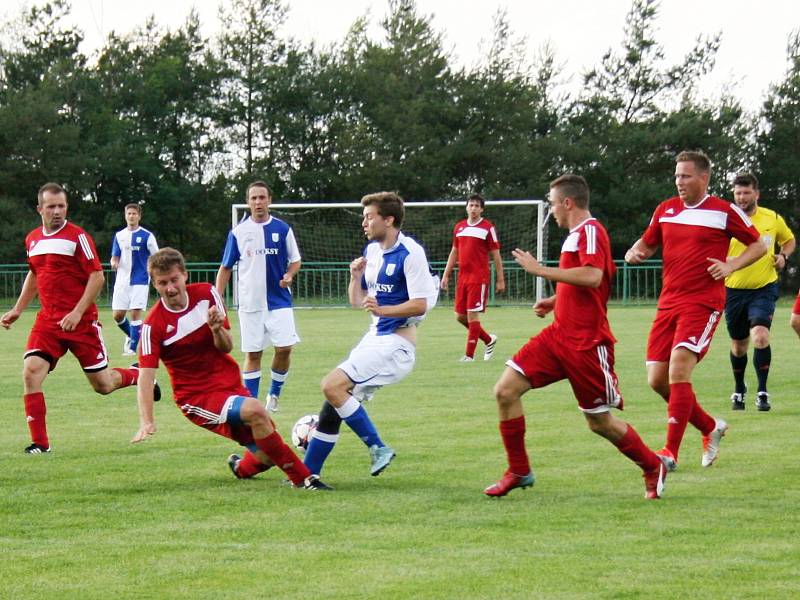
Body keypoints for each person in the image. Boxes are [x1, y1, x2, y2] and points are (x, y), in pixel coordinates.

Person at [484, 174, 669, 500]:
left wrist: (541, 270)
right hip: (557, 337)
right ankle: (519, 470)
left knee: (599, 423)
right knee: (505, 391)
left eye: (553, 203)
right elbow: (587, 279)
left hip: (587, 344)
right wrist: (556, 300)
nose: (551, 210)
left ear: (567, 203)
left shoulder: (591, 231)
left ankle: (653, 465)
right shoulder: (575, 236)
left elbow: (594, 275)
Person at [132, 248, 330, 490]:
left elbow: (226, 347)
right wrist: (146, 421)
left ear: (184, 275)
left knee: (267, 453)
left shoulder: (207, 294)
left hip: (230, 385)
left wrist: (216, 329)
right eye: (163, 283)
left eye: (174, 280)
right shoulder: (153, 326)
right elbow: (145, 377)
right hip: (197, 397)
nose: (170, 288)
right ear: (155, 284)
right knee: (256, 410)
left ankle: (241, 468)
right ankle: (305, 480)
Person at [625, 151, 766, 470]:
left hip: (703, 303)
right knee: (657, 380)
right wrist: (637, 251)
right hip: (668, 303)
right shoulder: (665, 210)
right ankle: (709, 427)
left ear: (704, 178)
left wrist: (731, 265)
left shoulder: (723, 211)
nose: (679, 181)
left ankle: (670, 453)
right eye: (677, 176)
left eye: (686, 176)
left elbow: (759, 245)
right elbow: (647, 244)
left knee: (678, 371)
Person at [1, 182, 146, 454]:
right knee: (31, 373)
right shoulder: (32, 239)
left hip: (82, 324)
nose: (57, 211)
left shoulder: (77, 237)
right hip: (48, 322)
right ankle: (40, 444)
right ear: (39, 209)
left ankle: (138, 374)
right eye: (51, 206)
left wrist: (77, 312)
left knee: (102, 386)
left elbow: (97, 276)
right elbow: (35, 273)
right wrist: (18, 309)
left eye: (61, 206)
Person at [302, 192, 439, 480]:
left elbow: (421, 303)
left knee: (331, 385)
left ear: (388, 220)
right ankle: (307, 475)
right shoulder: (373, 252)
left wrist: (385, 309)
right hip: (375, 337)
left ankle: (378, 446)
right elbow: (358, 302)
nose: (364, 223)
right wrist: (355, 278)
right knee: (332, 406)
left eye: (369, 217)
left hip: (397, 344)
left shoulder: (410, 252)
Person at [216, 181, 301, 414]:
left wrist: (289, 275)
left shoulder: (283, 229)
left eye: (262, 197)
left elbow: (295, 260)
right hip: (250, 304)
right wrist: (218, 298)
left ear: (270, 200)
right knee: (253, 353)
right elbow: (225, 267)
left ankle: (274, 393)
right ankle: (251, 403)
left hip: (279, 301)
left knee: (284, 348)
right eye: (253, 198)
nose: (258, 202)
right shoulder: (238, 232)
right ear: (248, 202)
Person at [724, 172, 794, 412]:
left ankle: (762, 391)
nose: (742, 197)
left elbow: (789, 240)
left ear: (756, 193)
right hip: (733, 291)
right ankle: (739, 388)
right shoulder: (725, 219)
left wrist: (783, 257)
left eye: (746, 192)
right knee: (738, 346)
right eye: (738, 193)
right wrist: (728, 260)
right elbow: (709, 249)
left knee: (761, 336)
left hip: (764, 288)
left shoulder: (771, 218)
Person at [440, 193, 505, 362]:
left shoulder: (487, 228)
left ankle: (469, 355)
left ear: (482, 209)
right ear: (466, 207)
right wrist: (446, 275)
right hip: (463, 277)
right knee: (459, 316)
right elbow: (454, 252)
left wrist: (500, 279)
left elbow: (496, 255)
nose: (474, 208)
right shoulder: (459, 227)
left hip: (479, 277)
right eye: (471, 205)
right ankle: (489, 340)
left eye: (477, 205)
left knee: (472, 316)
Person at [110, 203, 159, 356]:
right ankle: (133, 336)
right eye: (129, 213)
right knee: (117, 315)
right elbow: (115, 256)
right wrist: (114, 262)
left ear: (139, 216)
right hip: (122, 281)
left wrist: (154, 273)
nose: (131, 216)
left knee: (135, 313)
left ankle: (132, 349)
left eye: (134, 214)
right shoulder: (119, 236)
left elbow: (156, 257)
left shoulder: (147, 236)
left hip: (141, 279)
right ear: (125, 216)